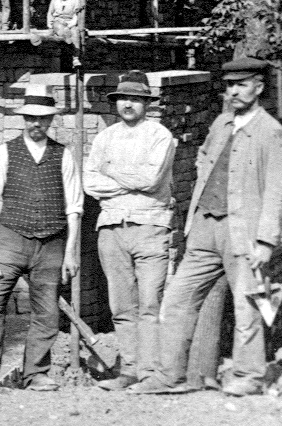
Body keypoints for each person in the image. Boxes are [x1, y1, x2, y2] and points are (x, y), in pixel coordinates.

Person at [133, 57, 282, 399]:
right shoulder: (221, 123)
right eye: (230, 85)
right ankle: (169, 375)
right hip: (205, 225)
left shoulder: (272, 133)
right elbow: (204, 160)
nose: (233, 91)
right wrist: (193, 219)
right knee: (177, 297)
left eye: (241, 85)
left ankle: (249, 375)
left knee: (248, 304)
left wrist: (265, 240)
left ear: (258, 88)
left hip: (244, 231)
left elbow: (278, 191)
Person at [0, 88, 83, 391]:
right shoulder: (5, 151)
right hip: (10, 239)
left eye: (41, 119)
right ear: (23, 119)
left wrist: (70, 253)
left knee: (46, 310)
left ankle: (35, 373)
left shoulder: (63, 155)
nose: (35, 124)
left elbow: (75, 208)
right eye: (30, 118)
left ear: (51, 119)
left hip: (51, 243)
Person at [83, 71, 176, 391]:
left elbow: (151, 180)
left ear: (147, 103)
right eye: (123, 98)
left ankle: (151, 376)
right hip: (111, 230)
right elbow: (90, 182)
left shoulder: (160, 135)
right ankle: (130, 371)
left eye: (135, 99)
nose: (128, 104)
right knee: (121, 307)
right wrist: (126, 181)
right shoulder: (105, 138)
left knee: (150, 305)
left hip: (150, 228)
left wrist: (111, 171)